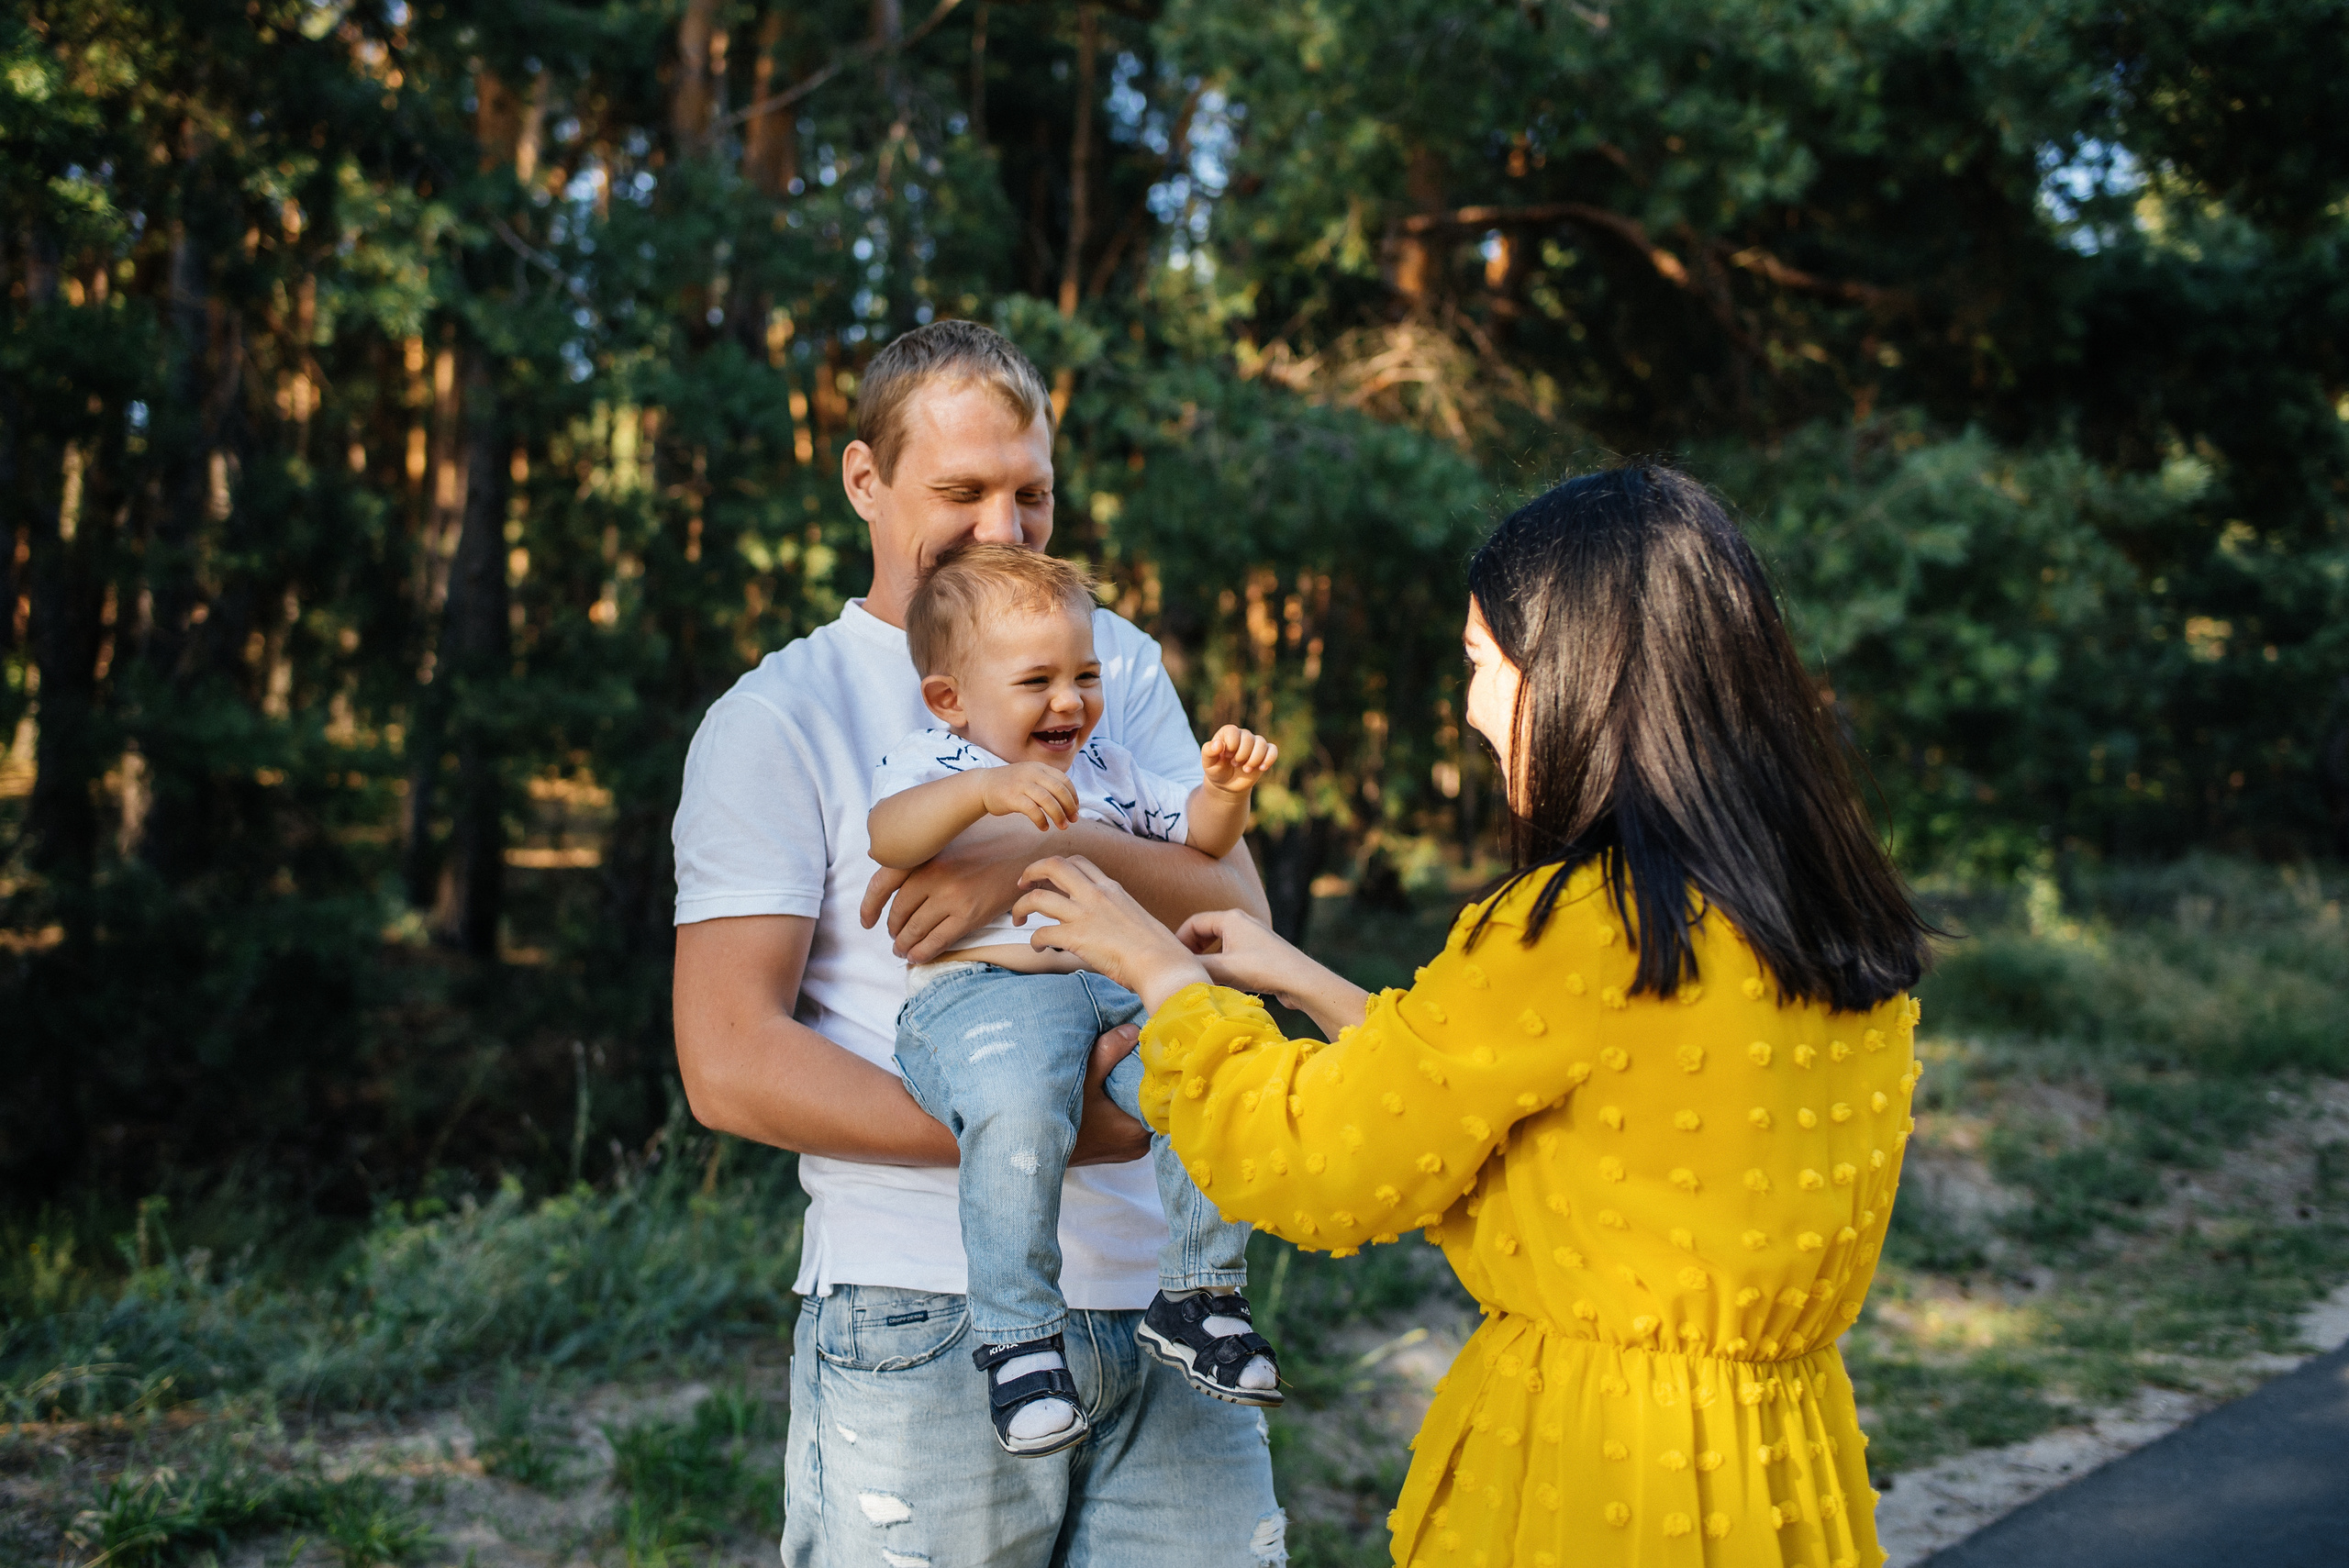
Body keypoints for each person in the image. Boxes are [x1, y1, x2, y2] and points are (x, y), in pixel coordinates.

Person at [1013, 465, 1937, 1568]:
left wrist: (1160, 975)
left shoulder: (1581, 926)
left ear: (1580, 669)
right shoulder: (1820, 919)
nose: (1468, 706)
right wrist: (1298, 975)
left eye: (1479, 663)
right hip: (1782, 1476)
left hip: (1594, 1479)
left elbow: (1311, 1161)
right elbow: (1530, 1121)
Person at [671, 319, 1288, 1566]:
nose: (1002, 529)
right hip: (922, 1309)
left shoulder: (1109, 664)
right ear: (864, 481)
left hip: (1167, 1302)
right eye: (961, 491)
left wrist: (1034, 856)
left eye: (1031, 493)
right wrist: (1052, 1130)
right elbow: (728, 1058)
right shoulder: (781, 715)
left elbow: (1241, 919)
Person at [867, 540, 1284, 1455]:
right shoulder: (935, 759)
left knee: (1214, 1074)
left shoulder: (1112, 767)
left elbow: (1203, 845)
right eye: (1037, 680)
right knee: (1017, 1107)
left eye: (1086, 673)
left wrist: (1224, 790)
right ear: (951, 699)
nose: (1071, 700)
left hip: (1109, 985)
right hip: (980, 999)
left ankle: (1200, 1294)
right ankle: (1017, 1341)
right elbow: (887, 833)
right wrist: (983, 790)